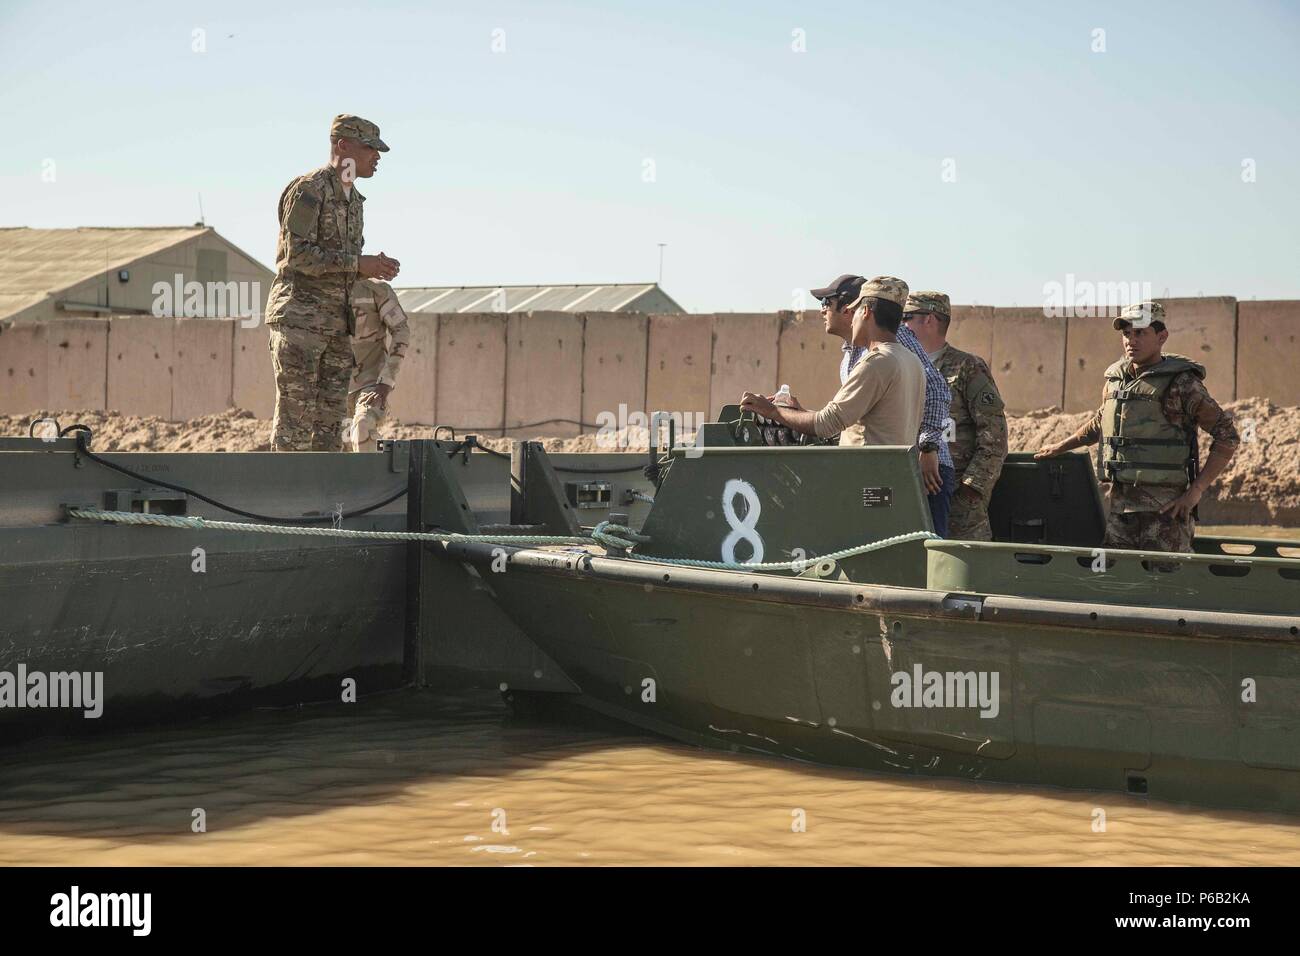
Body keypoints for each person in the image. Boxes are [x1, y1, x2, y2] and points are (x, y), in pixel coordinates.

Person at [1035, 301, 1239, 553]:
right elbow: (1102, 421)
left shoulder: (1182, 383)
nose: (1131, 340)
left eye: (1140, 332)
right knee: (1116, 575)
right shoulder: (1116, 381)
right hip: (1120, 511)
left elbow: (1227, 435)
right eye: (1126, 333)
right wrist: (1062, 446)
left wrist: (1196, 491)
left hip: (1167, 512)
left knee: (1166, 576)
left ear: (1162, 337)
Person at [266, 114, 401, 451]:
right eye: (369, 148)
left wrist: (371, 269)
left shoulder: (355, 201)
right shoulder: (309, 190)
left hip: (338, 327)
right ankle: (286, 487)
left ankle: (325, 487)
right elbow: (295, 255)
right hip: (301, 322)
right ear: (343, 146)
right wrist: (358, 263)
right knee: (296, 423)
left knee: (331, 427)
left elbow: (340, 266)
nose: (377, 156)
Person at [812, 275, 956, 535]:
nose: (822, 310)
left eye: (826, 302)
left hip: (925, 468)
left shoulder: (894, 340)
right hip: (889, 470)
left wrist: (928, 447)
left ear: (854, 308)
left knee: (923, 552)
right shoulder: (853, 354)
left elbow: (937, 389)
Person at [742, 277, 924, 451]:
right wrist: (800, 413)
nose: (852, 320)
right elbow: (864, 423)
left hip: (866, 470)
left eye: (855, 311)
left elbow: (826, 424)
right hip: (895, 470)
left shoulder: (876, 363)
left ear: (866, 312)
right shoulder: (912, 361)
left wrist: (773, 411)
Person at [903, 291, 1008, 540]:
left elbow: (994, 436)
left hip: (956, 501)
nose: (901, 326)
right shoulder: (902, 366)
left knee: (959, 562)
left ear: (929, 319)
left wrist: (971, 489)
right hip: (910, 494)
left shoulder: (967, 368)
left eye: (906, 317)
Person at [346, 279, 411, 452]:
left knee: (362, 426)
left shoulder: (376, 290)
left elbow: (401, 330)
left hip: (370, 385)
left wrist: (386, 381)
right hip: (332, 388)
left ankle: (371, 469)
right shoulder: (324, 286)